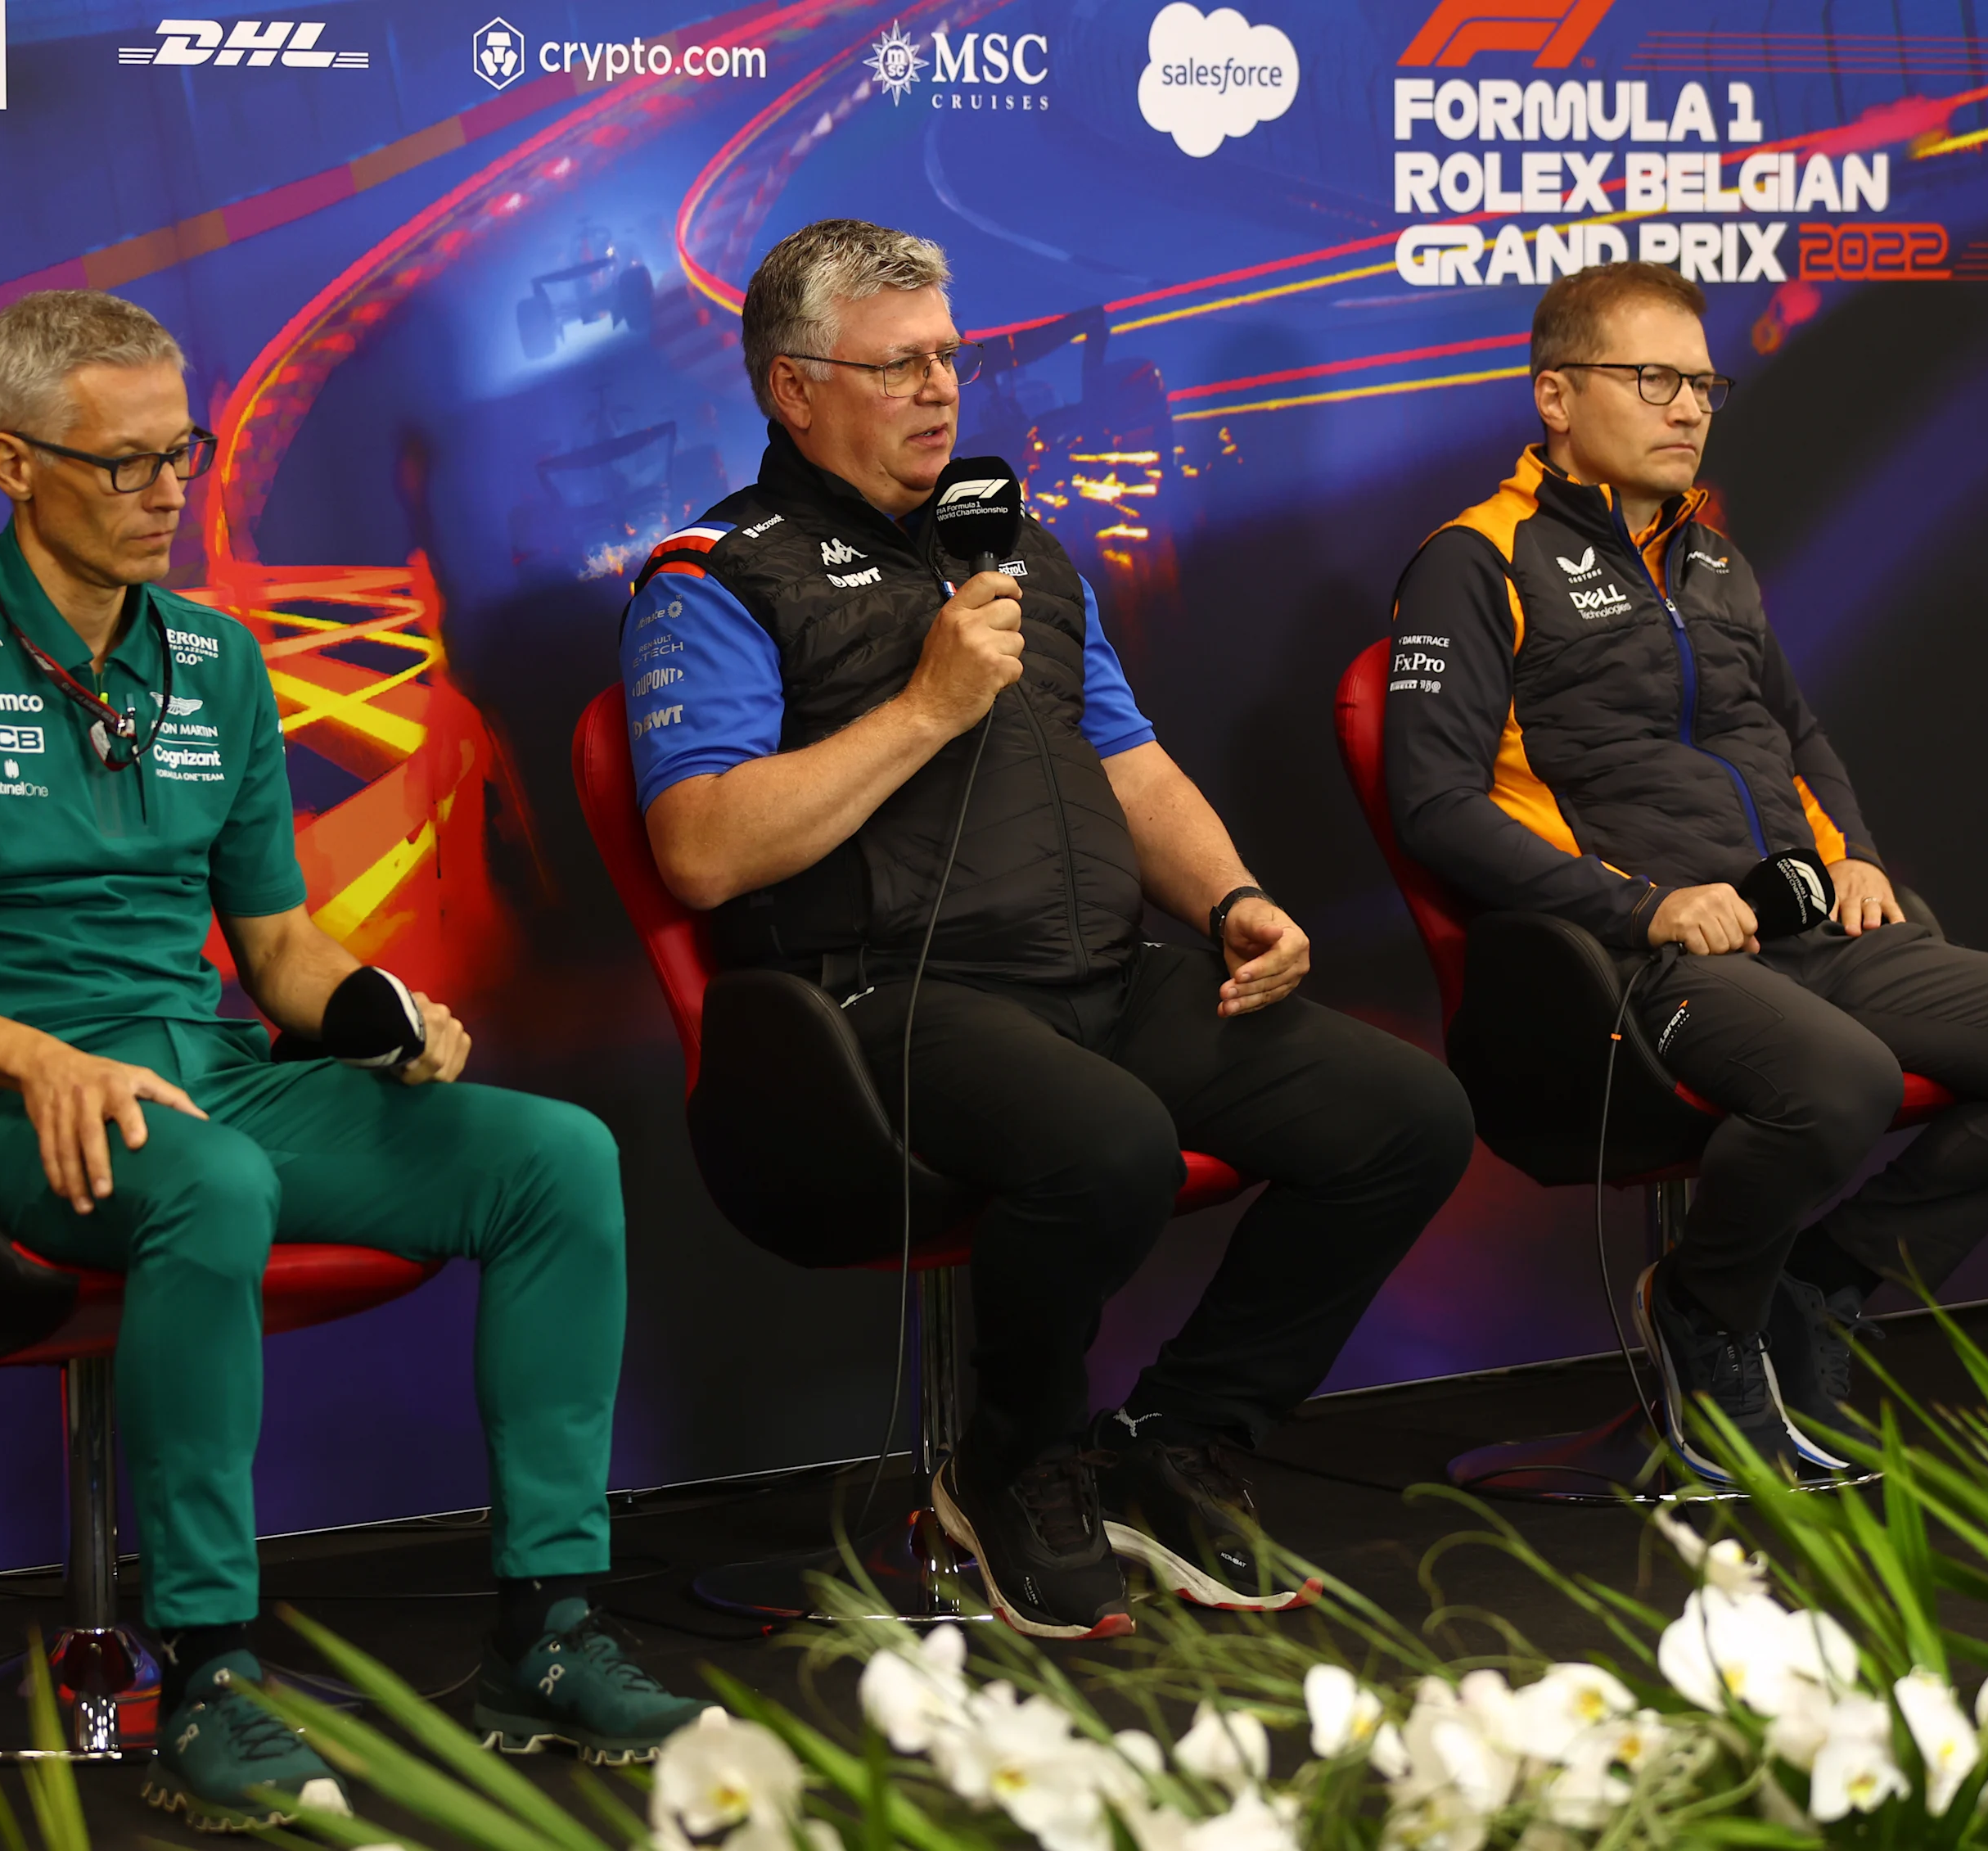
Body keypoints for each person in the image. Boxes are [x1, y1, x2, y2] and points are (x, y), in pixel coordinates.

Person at [0, 290, 708, 1828]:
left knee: (557, 1158)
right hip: (19, 1113)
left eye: (183, 455)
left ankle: (545, 1631)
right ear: (13, 463)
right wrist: (39, 1061)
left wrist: (386, 1015)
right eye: (124, 464)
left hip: (209, 1071)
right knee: (205, 1182)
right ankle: (207, 1669)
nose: (170, 495)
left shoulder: (213, 663)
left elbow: (280, 953)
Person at [620, 220, 1476, 1640]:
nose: (941, 391)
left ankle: (1175, 1444)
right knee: (1109, 1145)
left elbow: (1128, 759)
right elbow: (702, 855)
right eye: (896, 368)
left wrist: (1233, 898)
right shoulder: (715, 574)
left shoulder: (1017, 542)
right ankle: (1017, 1465)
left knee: (1406, 1116)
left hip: (1096, 973)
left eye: (947, 358)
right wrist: (923, 707)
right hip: (880, 1005)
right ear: (793, 388)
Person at [1384, 260, 1988, 1482]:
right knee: (1839, 1083)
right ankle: (1705, 1314)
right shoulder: (1472, 563)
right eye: (1652, 379)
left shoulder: (1715, 563)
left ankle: (1818, 1288)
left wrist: (1850, 855)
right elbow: (1432, 805)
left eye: (1702, 382)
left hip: (1814, 935)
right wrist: (1647, 905)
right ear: (1554, 396)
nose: (1689, 407)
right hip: (1636, 960)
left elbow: (1796, 735)